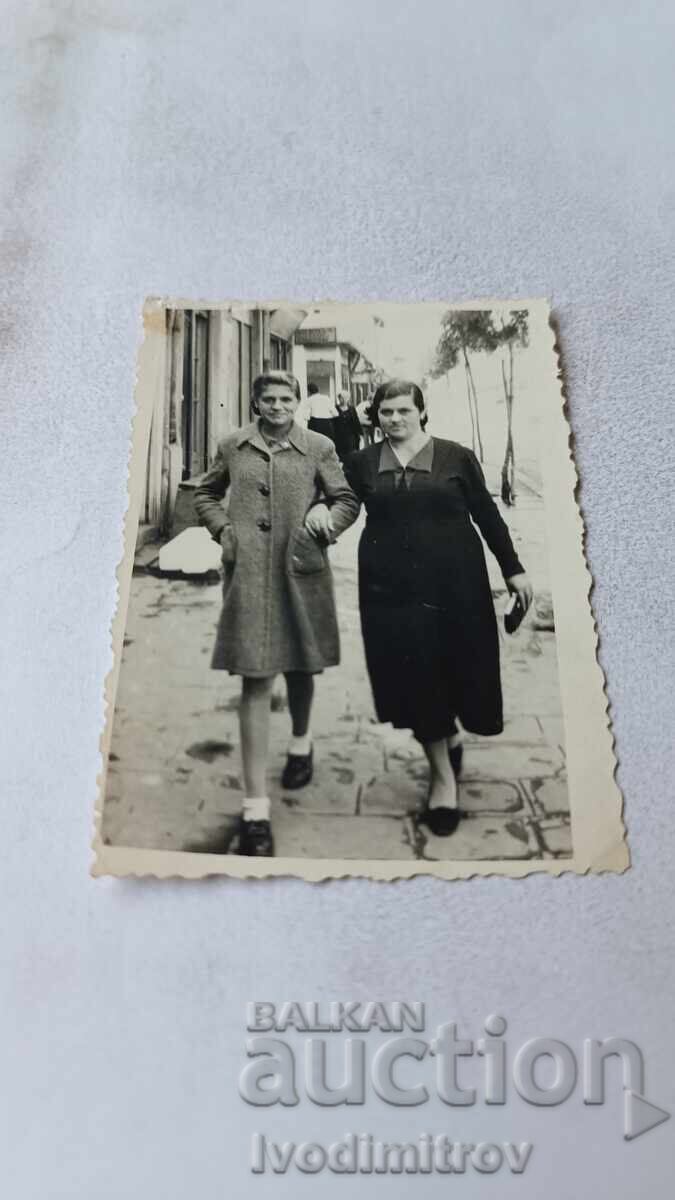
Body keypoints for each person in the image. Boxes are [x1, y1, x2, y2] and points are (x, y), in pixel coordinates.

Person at [312, 378, 533, 838]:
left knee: (456, 668)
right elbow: (339, 503)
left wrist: (514, 570)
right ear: (376, 415)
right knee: (414, 676)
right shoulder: (362, 462)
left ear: (420, 411)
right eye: (386, 412)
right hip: (389, 589)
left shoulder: (456, 457)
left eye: (403, 411)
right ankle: (442, 779)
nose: (394, 419)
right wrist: (319, 514)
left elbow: (487, 516)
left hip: (457, 585)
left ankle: (449, 736)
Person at [194, 371, 359, 857]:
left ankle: (302, 743)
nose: (278, 406)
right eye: (269, 399)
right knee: (254, 678)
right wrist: (224, 530)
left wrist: (324, 522)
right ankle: (255, 809)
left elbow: (346, 499)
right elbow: (205, 493)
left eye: (286, 399)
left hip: (300, 569)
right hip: (248, 578)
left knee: (301, 665)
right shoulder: (232, 446)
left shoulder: (319, 447)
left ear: (297, 402)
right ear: (255, 402)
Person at [333, 392, 362, 461]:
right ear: (339, 398)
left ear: (348, 399)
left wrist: (359, 433)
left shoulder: (352, 409)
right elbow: (332, 421)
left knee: (350, 452)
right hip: (338, 435)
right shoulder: (335, 408)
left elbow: (356, 421)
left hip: (350, 435)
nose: (343, 399)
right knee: (340, 453)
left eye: (345, 398)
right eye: (341, 398)